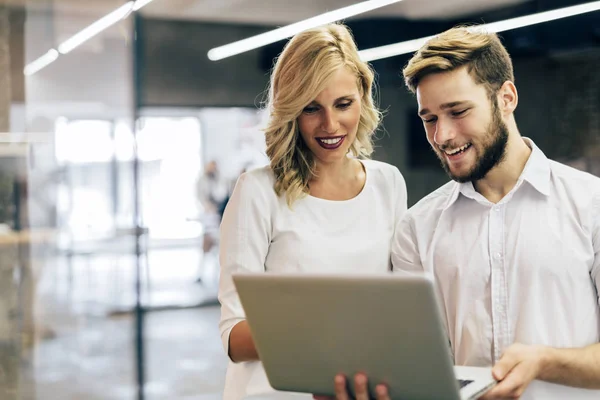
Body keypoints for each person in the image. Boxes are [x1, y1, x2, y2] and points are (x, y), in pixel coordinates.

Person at [320, 25, 600, 400]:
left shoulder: (590, 204)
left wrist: (545, 361)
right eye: (429, 118)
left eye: (457, 111)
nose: (443, 136)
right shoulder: (417, 228)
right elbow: (417, 365)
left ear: (507, 97)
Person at [218, 23, 408, 400]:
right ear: (291, 111)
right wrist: (329, 339)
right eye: (311, 108)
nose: (330, 125)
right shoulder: (257, 191)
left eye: (343, 104)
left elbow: (400, 307)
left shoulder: (388, 183)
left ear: (363, 98)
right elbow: (234, 335)